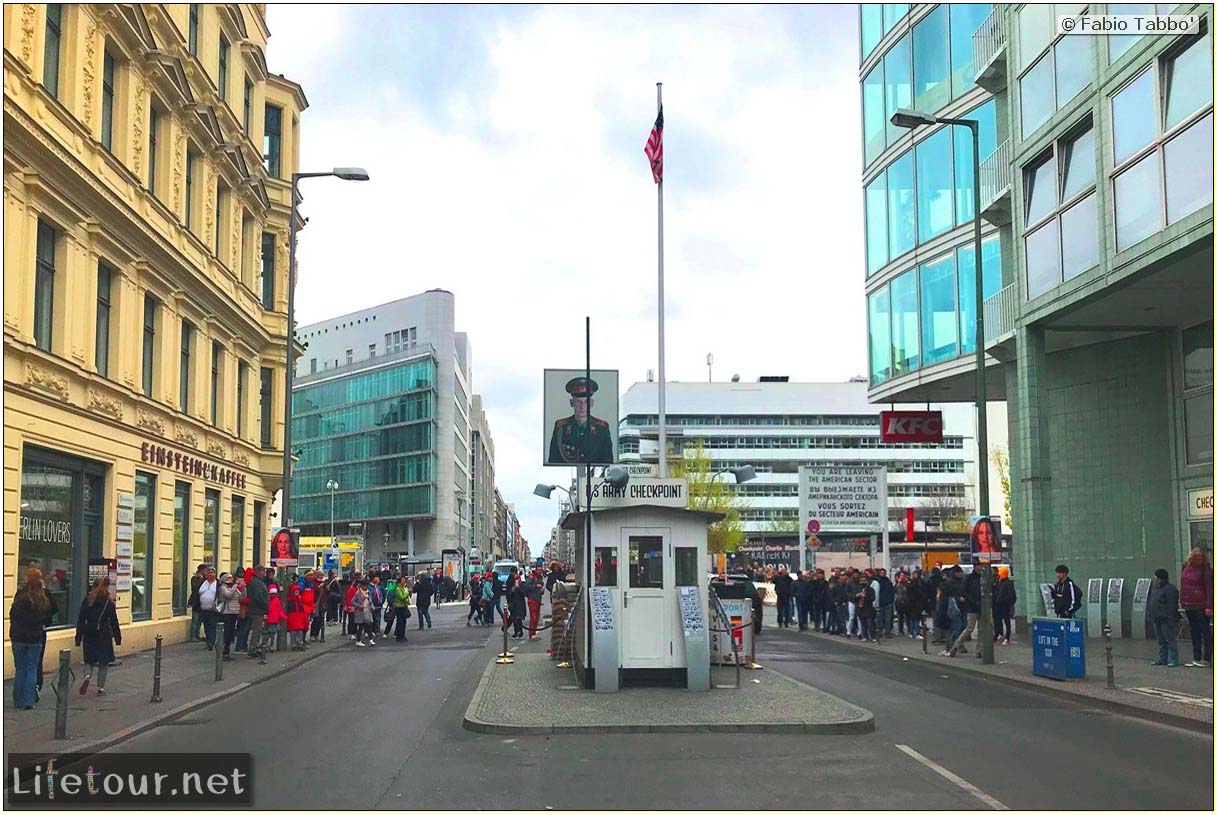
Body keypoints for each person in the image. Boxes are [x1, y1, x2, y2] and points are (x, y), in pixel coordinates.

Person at [10, 568, 57, 710]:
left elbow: (12, 614)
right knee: (32, 668)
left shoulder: (20, 595)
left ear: (26, 580)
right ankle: (29, 701)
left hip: (18, 637)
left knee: (20, 669)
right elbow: (52, 613)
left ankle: (18, 701)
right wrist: (44, 623)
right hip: (36, 637)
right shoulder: (44, 596)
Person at [547, 376, 614, 464]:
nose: (582, 406)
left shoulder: (602, 429)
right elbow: (553, 461)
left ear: (592, 403)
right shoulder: (560, 428)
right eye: (578, 402)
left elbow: (608, 462)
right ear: (572, 403)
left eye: (586, 402)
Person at [75, 578, 120, 695]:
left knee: (89, 659)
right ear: (106, 587)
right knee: (103, 662)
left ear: (93, 587)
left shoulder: (87, 600)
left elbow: (80, 620)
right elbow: (114, 621)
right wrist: (118, 637)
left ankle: (87, 675)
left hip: (89, 632)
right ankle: (100, 688)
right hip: (103, 634)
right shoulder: (108, 603)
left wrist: (78, 638)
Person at [1179, 548, 1213, 668]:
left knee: (1205, 631)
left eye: (1201, 557)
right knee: (1194, 631)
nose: (1199, 558)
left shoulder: (1205, 570)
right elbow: (1182, 584)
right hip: (1189, 604)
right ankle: (1196, 657)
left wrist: (1209, 606)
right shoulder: (1186, 566)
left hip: (1201, 604)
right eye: (1196, 556)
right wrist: (1182, 600)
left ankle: (1207, 658)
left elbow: (1209, 589)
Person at [1148, 568, 1181, 667]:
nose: (1155, 578)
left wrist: (1171, 620)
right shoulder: (1156, 587)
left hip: (1166, 619)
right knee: (1160, 639)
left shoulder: (1170, 589)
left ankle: (1173, 659)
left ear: (1160, 578)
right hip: (1157, 618)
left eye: (1156, 577)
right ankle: (1163, 658)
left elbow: (1172, 606)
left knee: (1169, 639)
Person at [216, 572, 244, 660]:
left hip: (234, 612)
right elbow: (228, 595)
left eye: (231, 578)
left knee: (231, 633)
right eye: (228, 578)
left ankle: (227, 651)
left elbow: (240, 597)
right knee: (226, 633)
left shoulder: (232, 588)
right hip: (226, 613)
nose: (231, 579)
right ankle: (223, 652)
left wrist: (243, 587)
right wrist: (235, 585)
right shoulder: (223, 588)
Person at [245, 566, 270, 663]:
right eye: (264, 571)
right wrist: (265, 606)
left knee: (257, 630)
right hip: (257, 610)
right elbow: (258, 597)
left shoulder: (257, 582)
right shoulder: (256, 583)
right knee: (257, 630)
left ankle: (253, 647)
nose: (265, 573)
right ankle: (252, 649)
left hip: (257, 609)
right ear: (259, 572)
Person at [195, 566, 219, 650]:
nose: (210, 574)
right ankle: (208, 641)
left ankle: (211, 642)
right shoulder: (202, 583)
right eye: (209, 572)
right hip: (203, 609)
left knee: (212, 625)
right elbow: (196, 592)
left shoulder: (217, 584)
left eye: (212, 572)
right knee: (206, 626)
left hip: (213, 610)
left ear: (215, 574)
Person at [993, 568, 1017, 645]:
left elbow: (1009, 595)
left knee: (1006, 622)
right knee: (998, 620)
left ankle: (1007, 638)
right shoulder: (1001, 582)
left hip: (1005, 606)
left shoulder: (1007, 583)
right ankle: (998, 634)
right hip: (999, 605)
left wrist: (1003, 601)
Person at [285, 582, 310, 651]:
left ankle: (300, 643)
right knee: (293, 633)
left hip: (299, 618)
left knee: (300, 632)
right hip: (293, 618)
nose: (297, 593)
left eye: (298, 592)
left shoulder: (300, 600)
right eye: (296, 592)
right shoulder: (290, 601)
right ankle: (294, 644)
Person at [264, 583, 286, 656]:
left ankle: (271, 646)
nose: (273, 595)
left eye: (274, 593)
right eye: (271, 593)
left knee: (272, 634)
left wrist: (284, 617)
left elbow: (279, 610)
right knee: (267, 634)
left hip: (274, 620)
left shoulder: (277, 600)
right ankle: (265, 645)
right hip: (268, 620)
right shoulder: (267, 600)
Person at [187, 564, 208, 641]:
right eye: (205, 571)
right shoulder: (195, 578)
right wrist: (201, 579)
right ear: (201, 571)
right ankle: (192, 636)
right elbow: (195, 588)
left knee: (200, 620)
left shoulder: (205, 579)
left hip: (202, 602)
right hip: (196, 602)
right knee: (195, 620)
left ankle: (197, 635)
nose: (206, 572)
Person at [855, 577, 877, 643]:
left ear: (867, 581)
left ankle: (873, 637)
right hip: (860, 608)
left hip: (868, 609)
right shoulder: (858, 589)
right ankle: (865, 636)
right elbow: (854, 598)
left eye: (864, 580)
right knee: (863, 624)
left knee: (870, 624)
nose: (863, 582)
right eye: (861, 580)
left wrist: (865, 596)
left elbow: (873, 598)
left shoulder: (870, 589)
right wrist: (857, 596)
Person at [351, 580, 373, 647]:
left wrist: (371, 606)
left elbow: (370, 601)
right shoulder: (358, 593)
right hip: (360, 612)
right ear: (362, 586)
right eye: (365, 585)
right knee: (361, 626)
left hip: (367, 611)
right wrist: (359, 606)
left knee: (369, 625)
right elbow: (353, 601)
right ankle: (358, 640)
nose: (366, 587)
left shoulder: (368, 592)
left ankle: (370, 639)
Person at [524, 570, 545, 639]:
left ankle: (534, 633)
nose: (539, 571)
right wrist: (535, 586)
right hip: (532, 599)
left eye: (540, 569)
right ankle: (531, 633)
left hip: (538, 599)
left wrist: (542, 590)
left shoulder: (540, 578)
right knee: (533, 617)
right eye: (538, 570)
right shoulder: (531, 577)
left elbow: (541, 587)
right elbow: (526, 587)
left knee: (537, 618)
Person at [876, 568, 895, 638]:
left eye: (883, 573)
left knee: (888, 619)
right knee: (880, 619)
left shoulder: (888, 582)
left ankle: (887, 632)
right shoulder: (877, 582)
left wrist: (891, 600)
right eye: (881, 573)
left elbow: (892, 592)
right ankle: (879, 632)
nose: (882, 574)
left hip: (888, 603)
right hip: (880, 603)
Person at [506, 575, 527, 640]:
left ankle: (520, 633)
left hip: (520, 605)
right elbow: (509, 596)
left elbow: (524, 593)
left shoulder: (522, 585)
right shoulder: (512, 587)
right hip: (513, 605)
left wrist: (519, 588)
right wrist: (512, 591)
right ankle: (516, 632)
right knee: (514, 619)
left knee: (518, 619)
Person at [392, 577, 411, 642]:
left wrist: (409, 594)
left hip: (404, 606)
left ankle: (402, 635)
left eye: (404, 580)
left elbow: (406, 596)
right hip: (399, 607)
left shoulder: (404, 587)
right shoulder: (398, 588)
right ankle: (399, 636)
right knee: (400, 622)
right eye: (402, 580)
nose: (404, 581)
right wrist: (408, 593)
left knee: (404, 622)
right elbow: (402, 597)